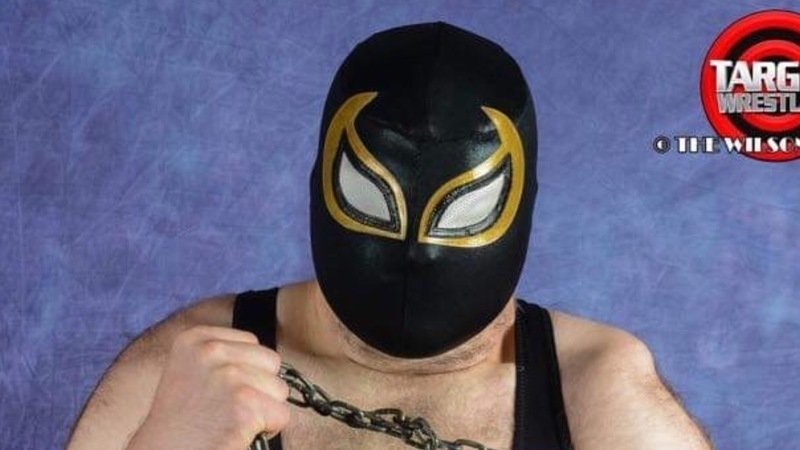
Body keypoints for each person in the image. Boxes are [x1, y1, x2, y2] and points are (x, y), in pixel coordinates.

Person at [66, 22, 713, 450]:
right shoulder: (188, 368)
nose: (415, 253)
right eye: (369, 197)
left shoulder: (595, 388)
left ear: (522, 204)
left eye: (464, 209)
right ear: (322, 182)